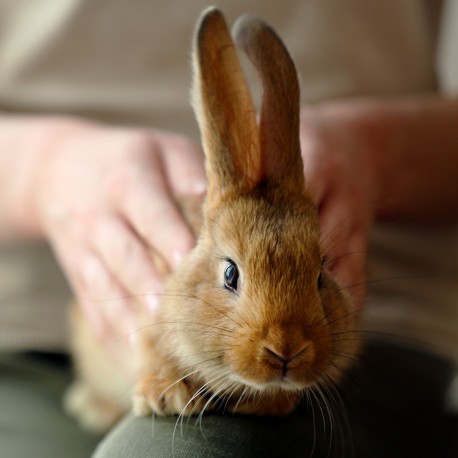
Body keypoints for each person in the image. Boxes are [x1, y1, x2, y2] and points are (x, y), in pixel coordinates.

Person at [0, 1, 457, 457]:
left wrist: (375, 153)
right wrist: (42, 171)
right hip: (20, 337)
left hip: (391, 338)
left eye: (319, 281)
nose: (283, 346)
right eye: (232, 278)